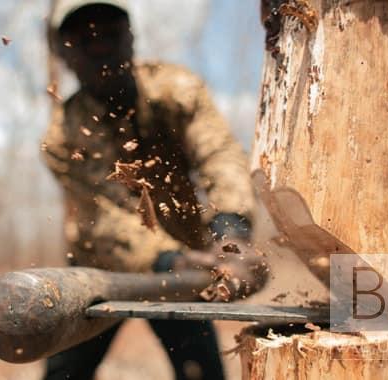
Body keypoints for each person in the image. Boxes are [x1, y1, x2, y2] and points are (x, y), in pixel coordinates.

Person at [42, 1, 266, 379]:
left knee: (201, 372)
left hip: (187, 268)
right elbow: (103, 219)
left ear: (130, 37)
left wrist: (231, 234)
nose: (99, 47)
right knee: (65, 374)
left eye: (109, 33)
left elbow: (219, 155)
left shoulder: (176, 90)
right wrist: (172, 261)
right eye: (83, 39)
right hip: (99, 272)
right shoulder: (62, 137)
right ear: (65, 53)